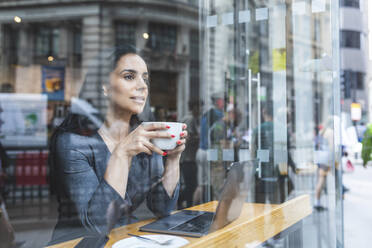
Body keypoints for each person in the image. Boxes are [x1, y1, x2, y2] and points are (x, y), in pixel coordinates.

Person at [48, 46, 188, 245]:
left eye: (145, 78)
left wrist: (173, 159)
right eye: (130, 76)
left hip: (125, 238)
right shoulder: (73, 142)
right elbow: (96, 224)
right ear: (104, 86)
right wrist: (122, 154)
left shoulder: (142, 134)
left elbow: (162, 208)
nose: (143, 86)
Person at [193, 92, 224, 203]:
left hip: (200, 151)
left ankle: (193, 209)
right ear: (218, 101)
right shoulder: (218, 115)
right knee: (216, 185)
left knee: (201, 185)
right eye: (222, 100)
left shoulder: (206, 114)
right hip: (210, 153)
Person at [178, 100, 202, 208]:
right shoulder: (190, 119)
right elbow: (188, 138)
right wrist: (200, 137)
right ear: (194, 108)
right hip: (187, 158)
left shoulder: (192, 119)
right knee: (190, 185)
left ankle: (184, 203)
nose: (200, 110)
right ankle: (186, 205)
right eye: (199, 107)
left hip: (189, 158)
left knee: (190, 185)